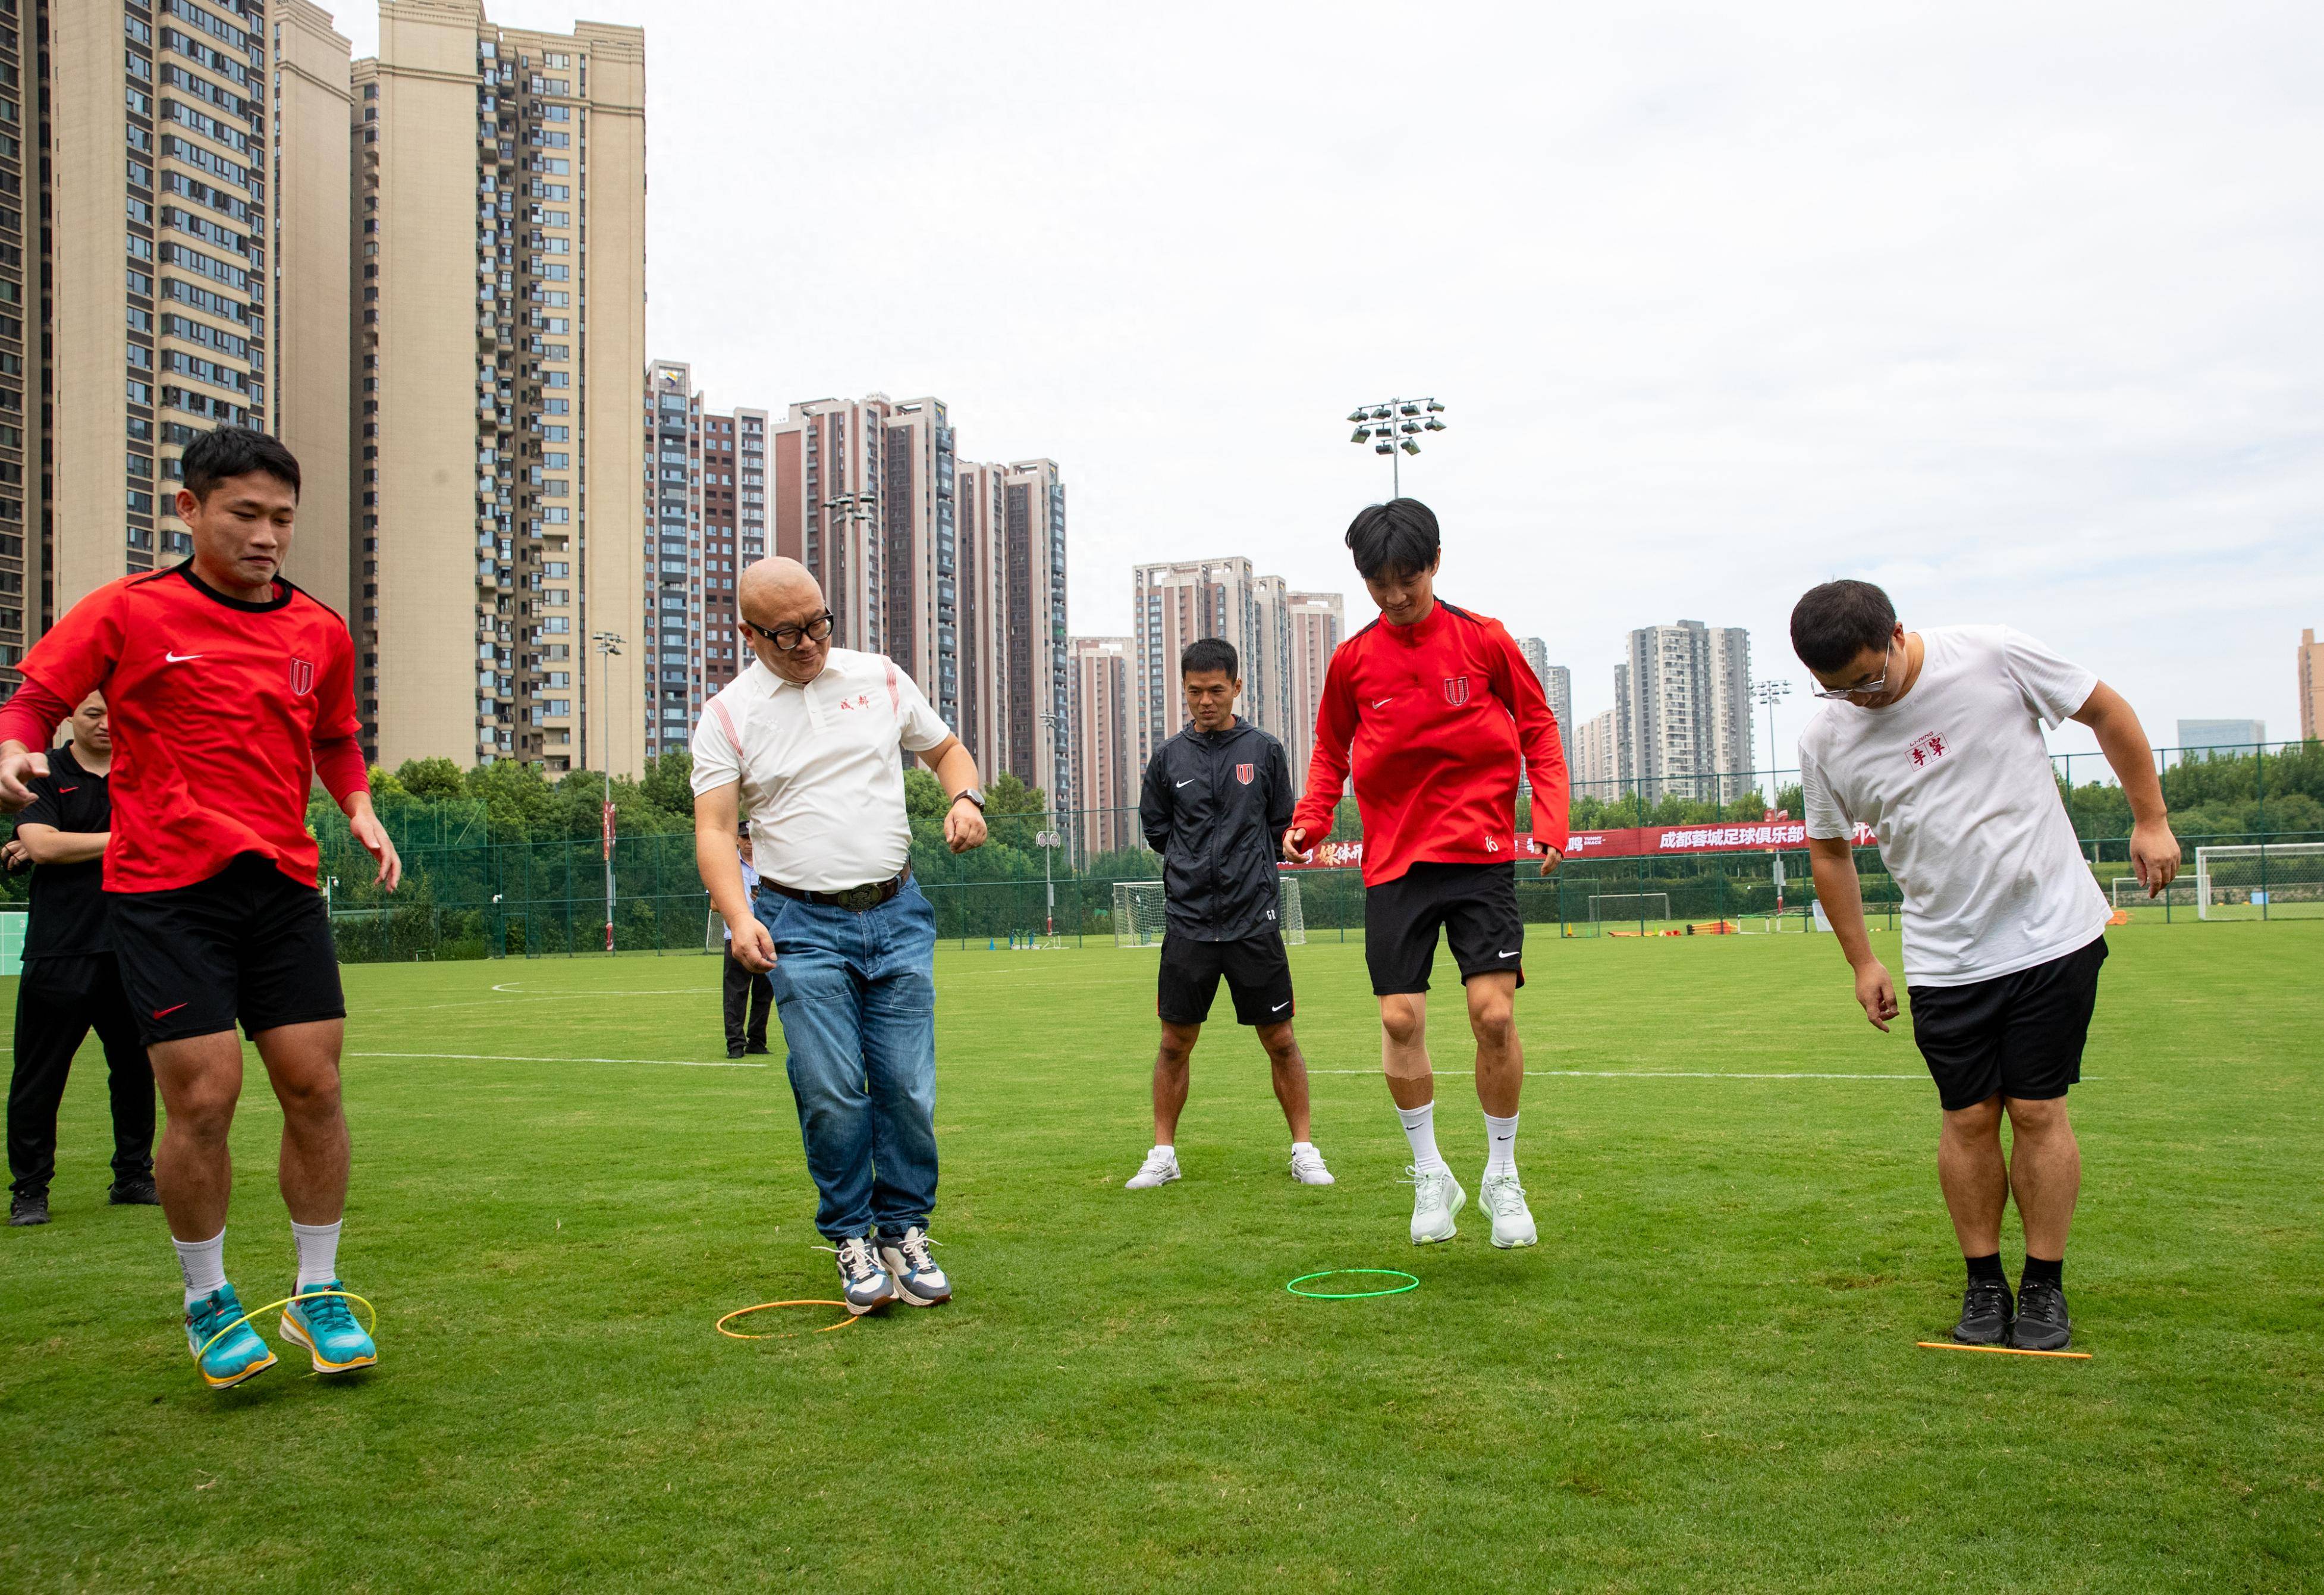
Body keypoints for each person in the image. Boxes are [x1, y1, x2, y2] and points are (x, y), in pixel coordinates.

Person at [0, 426, 402, 1391]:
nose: (267, 536)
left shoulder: (319, 629)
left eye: (282, 519)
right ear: (189, 509)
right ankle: (208, 1297)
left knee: (315, 1087)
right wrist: (14, 749)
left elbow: (335, 736)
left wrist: (358, 805)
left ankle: (316, 1290)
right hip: (165, 892)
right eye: (245, 515)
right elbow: (35, 698)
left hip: (282, 886)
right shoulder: (129, 612)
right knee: (205, 1099)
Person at [1789, 579, 2177, 1352]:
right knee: (1967, 1118)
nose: (1859, 699)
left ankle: (2043, 1286)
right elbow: (1829, 851)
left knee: (2037, 1111)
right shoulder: (1826, 737)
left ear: (1896, 634)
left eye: (1868, 678)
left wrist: (2152, 819)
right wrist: (1862, 959)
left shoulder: (1993, 654)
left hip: (2050, 934)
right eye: (1837, 689)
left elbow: (2106, 710)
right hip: (1944, 954)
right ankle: (1983, 1283)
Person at [692, 557, 988, 1315]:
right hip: (800, 923)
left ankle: (904, 1232)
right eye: (785, 633)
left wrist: (964, 798)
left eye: (818, 624)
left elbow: (946, 750)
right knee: (830, 1088)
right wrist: (739, 917)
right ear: (749, 635)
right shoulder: (727, 715)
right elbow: (716, 830)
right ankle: (851, 1236)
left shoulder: (878, 676)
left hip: (897, 913)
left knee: (906, 1087)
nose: (807, 644)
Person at [1285, 500, 1569, 1248]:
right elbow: (1330, 751)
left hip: (1479, 855)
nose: (1394, 596)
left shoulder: (1484, 639)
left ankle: (1501, 1175)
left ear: (1434, 563)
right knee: (1399, 1019)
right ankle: (1429, 1173)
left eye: (1406, 579)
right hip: (1394, 864)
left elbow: (1538, 728)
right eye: (1377, 583)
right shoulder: (1352, 661)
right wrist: (1310, 821)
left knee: (1493, 1016)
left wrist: (1549, 819)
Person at [1126, 638, 1332, 1191]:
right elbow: (1157, 830)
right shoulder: (1168, 758)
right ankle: (1163, 1154)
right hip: (1189, 922)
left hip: (1253, 921)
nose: (1206, 701)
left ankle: (1305, 1151)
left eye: (1216, 690)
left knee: (1281, 1040)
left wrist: (1285, 847)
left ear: (1237, 687)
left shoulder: (1264, 751)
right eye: (1195, 691)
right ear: (1184, 689)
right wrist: (1194, 867)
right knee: (1174, 1043)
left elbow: (1281, 823)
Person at [5, 693, 155, 1227]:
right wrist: (131, 838)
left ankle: (133, 1175)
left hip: (134, 949)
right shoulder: (43, 773)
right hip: (60, 949)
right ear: (72, 716)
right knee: (39, 1077)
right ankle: (30, 1190)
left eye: (117, 712)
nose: (107, 724)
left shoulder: (146, 773)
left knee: (136, 1073)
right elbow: (44, 847)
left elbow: (177, 836)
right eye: (94, 713)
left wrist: (68, 842)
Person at [721, 825, 774, 1060]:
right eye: (744, 837)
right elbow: (715, 903)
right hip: (738, 937)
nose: (749, 842)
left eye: (752, 837)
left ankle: (757, 1041)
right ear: (737, 840)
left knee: (764, 993)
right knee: (736, 992)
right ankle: (735, 1044)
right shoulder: (727, 865)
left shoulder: (769, 864)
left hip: (767, 936)